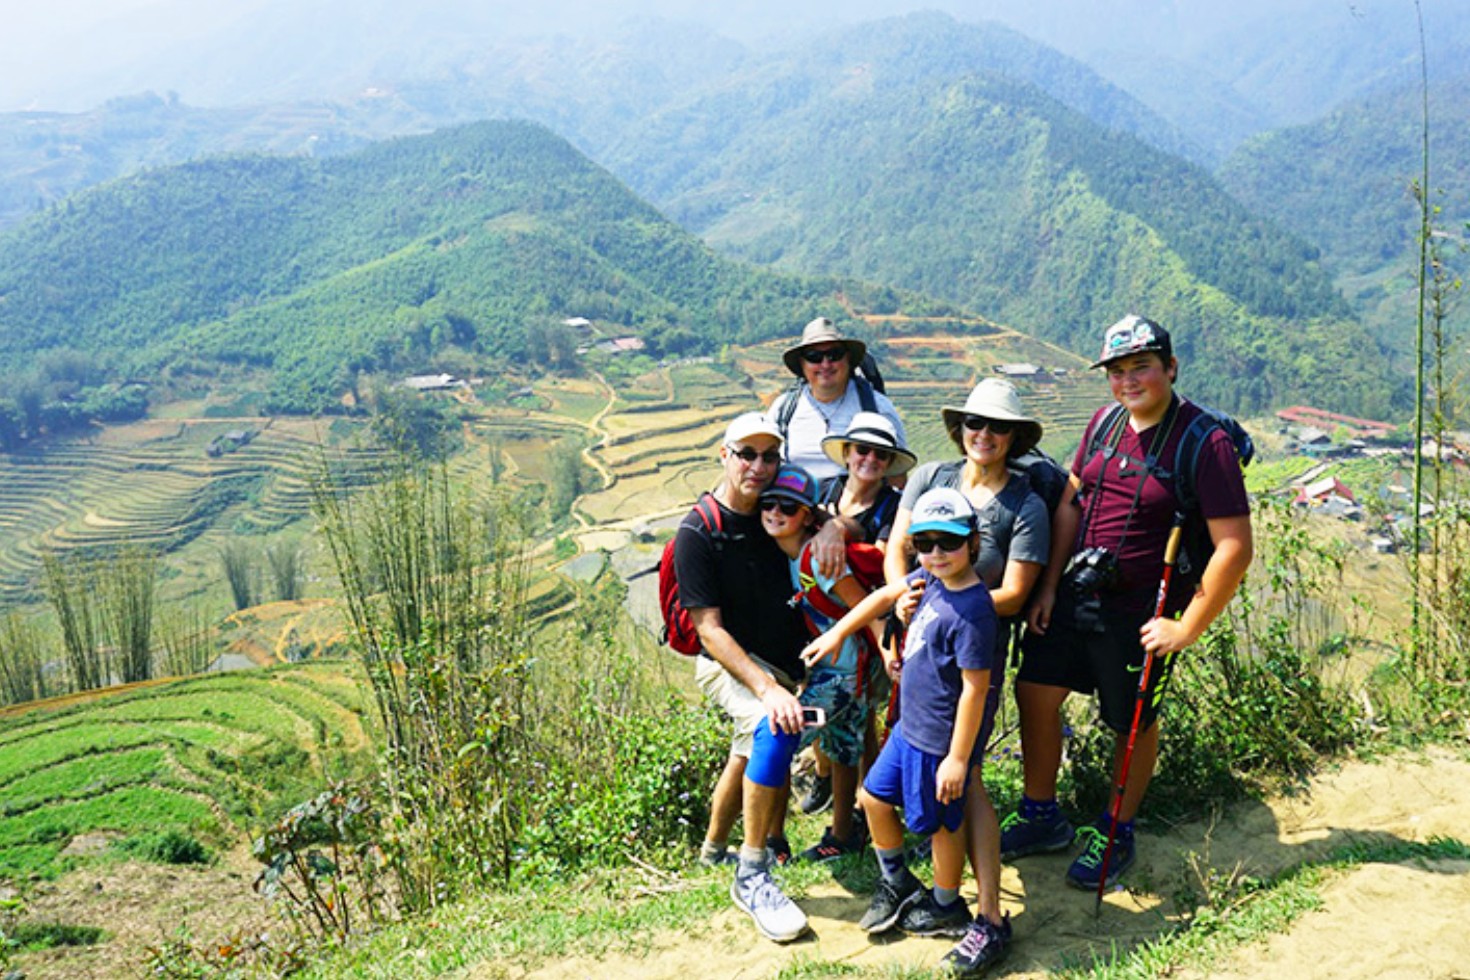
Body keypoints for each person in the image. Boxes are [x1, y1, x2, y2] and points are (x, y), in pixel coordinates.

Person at [1004, 314, 1253, 891]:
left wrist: (1186, 627)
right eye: (1117, 371)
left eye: (1141, 367)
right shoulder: (1103, 423)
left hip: (1144, 610)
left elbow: (1234, 547)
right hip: (1078, 591)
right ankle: (1041, 814)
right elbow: (1071, 504)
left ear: (1171, 367)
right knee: (1034, 690)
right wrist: (1049, 585)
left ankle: (1116, 829)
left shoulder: (1204, 442)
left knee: (1132, 722)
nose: (1128, 380)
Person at [803, 488, 1012, 976]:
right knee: (873, 798)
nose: (936, 553)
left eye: (949, 542)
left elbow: (974, 689)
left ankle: (945, 903)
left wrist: (957, 758)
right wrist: (836, 632)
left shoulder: (973, 610)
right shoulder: (932, 578)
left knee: (942, 824)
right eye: (924, 543)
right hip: (909, 726)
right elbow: (883, 595)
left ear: (973, 543)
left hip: (938, 737)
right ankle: (898, 880)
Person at [883, 378, 1048, 972]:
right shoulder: (932, 477)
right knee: (947, 783)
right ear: (960, 429)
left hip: (973, 662)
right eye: (975, 423)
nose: (984, 435)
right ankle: (951, 899)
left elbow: (1015, 593)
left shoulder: (1024, 506)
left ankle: (988, 917)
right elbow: (898, 550)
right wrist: (907, 600)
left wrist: (942, 599)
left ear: (1014, 437)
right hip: (922, 648)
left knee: (966, 778)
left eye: (999, 427)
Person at [678, 413, 811, 942]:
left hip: (781, 664)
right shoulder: (698, 532)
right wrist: (766, 687)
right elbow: (708, 630)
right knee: (769, 726)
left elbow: (825, 521)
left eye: (769, 456)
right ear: (724, 455)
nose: (758, 466)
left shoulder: (777, 509)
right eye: (746, 454)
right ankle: (753, 873)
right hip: (727, 665)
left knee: (746, 751)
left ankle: (713, 851)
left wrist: (830, 530)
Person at [742, 464, 874, 882]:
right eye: (769, 504)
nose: (775, 512)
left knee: (780, 734)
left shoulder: (819, 557)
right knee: (842, 746)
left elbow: (866, 607)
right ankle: (843, 834)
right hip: (842, 672)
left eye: (788, 507)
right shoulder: (790, 556)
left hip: (843, 675)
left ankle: (769, 844)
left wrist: (890, 657)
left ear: (806, 516)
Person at [793, 410, 916, 818]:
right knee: (828, 700)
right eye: (862, 450)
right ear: (846, 453)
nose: (870, 459)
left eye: (881, 454)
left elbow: (881, 556)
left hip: (869, 618)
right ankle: (829, 776)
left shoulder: (892, 506)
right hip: (818, 617)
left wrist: (834, 527)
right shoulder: (824, 489)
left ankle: (867, 802)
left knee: (862, 713)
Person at [766, 317, 907, 482]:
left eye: (834, 355)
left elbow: (897, 475)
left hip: (859, 497)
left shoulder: (878, 407)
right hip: (794, 497)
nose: (825, 365)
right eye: (814, 357)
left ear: (848, 359)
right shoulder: (783, 409)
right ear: (802, 364)